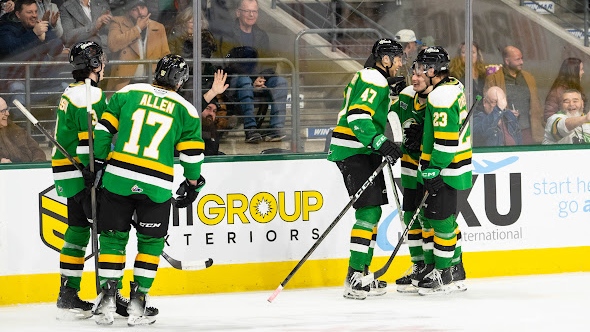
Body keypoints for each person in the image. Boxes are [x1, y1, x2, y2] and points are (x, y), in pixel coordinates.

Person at [92, 54, 205, 326]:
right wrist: (192, 183)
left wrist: (97, 162)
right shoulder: (186, 110)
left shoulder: (129, 92)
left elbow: (103, 129)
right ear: (181, 82)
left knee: (112, 240)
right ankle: (138, 303)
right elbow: (191, 155)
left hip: (118, 178)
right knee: (150, 244)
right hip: (157, 186)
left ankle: (107, 298)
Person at [327, 38, 404, 300]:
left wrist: (392, 96)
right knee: (368, 211)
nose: (400, 63)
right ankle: (355, 276)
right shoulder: (374, 79)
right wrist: (380, 141)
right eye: (398, 57)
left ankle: (361, 273)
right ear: (385, 59)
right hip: (355, 150)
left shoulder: (373, 78)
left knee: (371, 211)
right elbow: (358, 116)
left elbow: (372, 111)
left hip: (361, 150)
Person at [53, 41, 108, 319]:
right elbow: (90, 139)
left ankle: (68, 293)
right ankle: (110, 295)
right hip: (83, 173)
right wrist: (94, 170)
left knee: (76, 231)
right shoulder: (91, 95)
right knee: (108, 232)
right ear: (95, 65)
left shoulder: (70, 92)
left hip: (66, 172)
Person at [414, 46, 469, 295]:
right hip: (451, 165)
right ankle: (455, 269)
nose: (417, 71)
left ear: (432, 70)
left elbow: (446, 142)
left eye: (421, 67)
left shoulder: (441, 97)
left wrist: (433, 168)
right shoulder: (451, 87)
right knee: (440, 218)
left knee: (442, 220)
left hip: (445, 167)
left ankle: (445, 274)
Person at [219, 0, 288, 143]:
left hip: (258, 76)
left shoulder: (261, 35)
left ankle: (275, 130)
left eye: (254, 11)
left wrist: (262, 77)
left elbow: (269, 61)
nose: (251, 15)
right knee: (244, 81)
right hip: (234, 79)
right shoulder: (228, 34)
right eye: (247, 11)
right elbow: (228, 63)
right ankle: (250, 130)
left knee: (280, 82)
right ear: (238, 13)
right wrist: (252, 79)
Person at [0, 0, 67, 121]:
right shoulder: (6, 27)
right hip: (16, 80)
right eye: (29, 12)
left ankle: (54, 131)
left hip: (41, 80)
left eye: (36, 11)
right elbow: (12, 51)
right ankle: (23, 134)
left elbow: (57, 48)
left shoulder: (38, 24)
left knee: (67, 92)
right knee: (18, 100)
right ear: (18, 14)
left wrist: (44, 37)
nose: (34, 15)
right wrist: (34, 34)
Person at [484, 45, 543, 144]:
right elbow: (488, 106)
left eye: (522, 58)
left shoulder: (529, 78)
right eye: (517, 59)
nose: (521, 62)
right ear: (507, 61)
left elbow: (536, 103)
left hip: (529, 130)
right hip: (506, 131)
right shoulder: (493, 79)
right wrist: (506, 112)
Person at [106, 0, 170, 92]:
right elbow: (113, 45)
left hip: (151, 82)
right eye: (134, 9)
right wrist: (137, 29)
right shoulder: (117, 22)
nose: (140, 13)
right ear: (128, 12)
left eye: (143, 8)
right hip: (126, 82)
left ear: (148, 9)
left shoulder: (159, 27)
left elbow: (165, 55)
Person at [168, 6, 218, 102]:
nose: (195, 25)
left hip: (204, 74)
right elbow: (173, 56)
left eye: (198, 21)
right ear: (184, 22)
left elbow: (213, 57)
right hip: (183, 75)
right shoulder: (176, 36)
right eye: (191, 22)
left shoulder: (207, 37)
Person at [0, 97, 46, 162]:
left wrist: (37, 164)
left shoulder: (12, 127)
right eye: (3, 111)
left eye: (7, 109)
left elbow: (36, 150)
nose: (7, 113)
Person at [544, 58, 585, 122]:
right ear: (574, 72)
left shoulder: (574, 88)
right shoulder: (557, 91)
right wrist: (564, 125)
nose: (583, 72)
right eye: (581, 69)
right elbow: (548, 116)